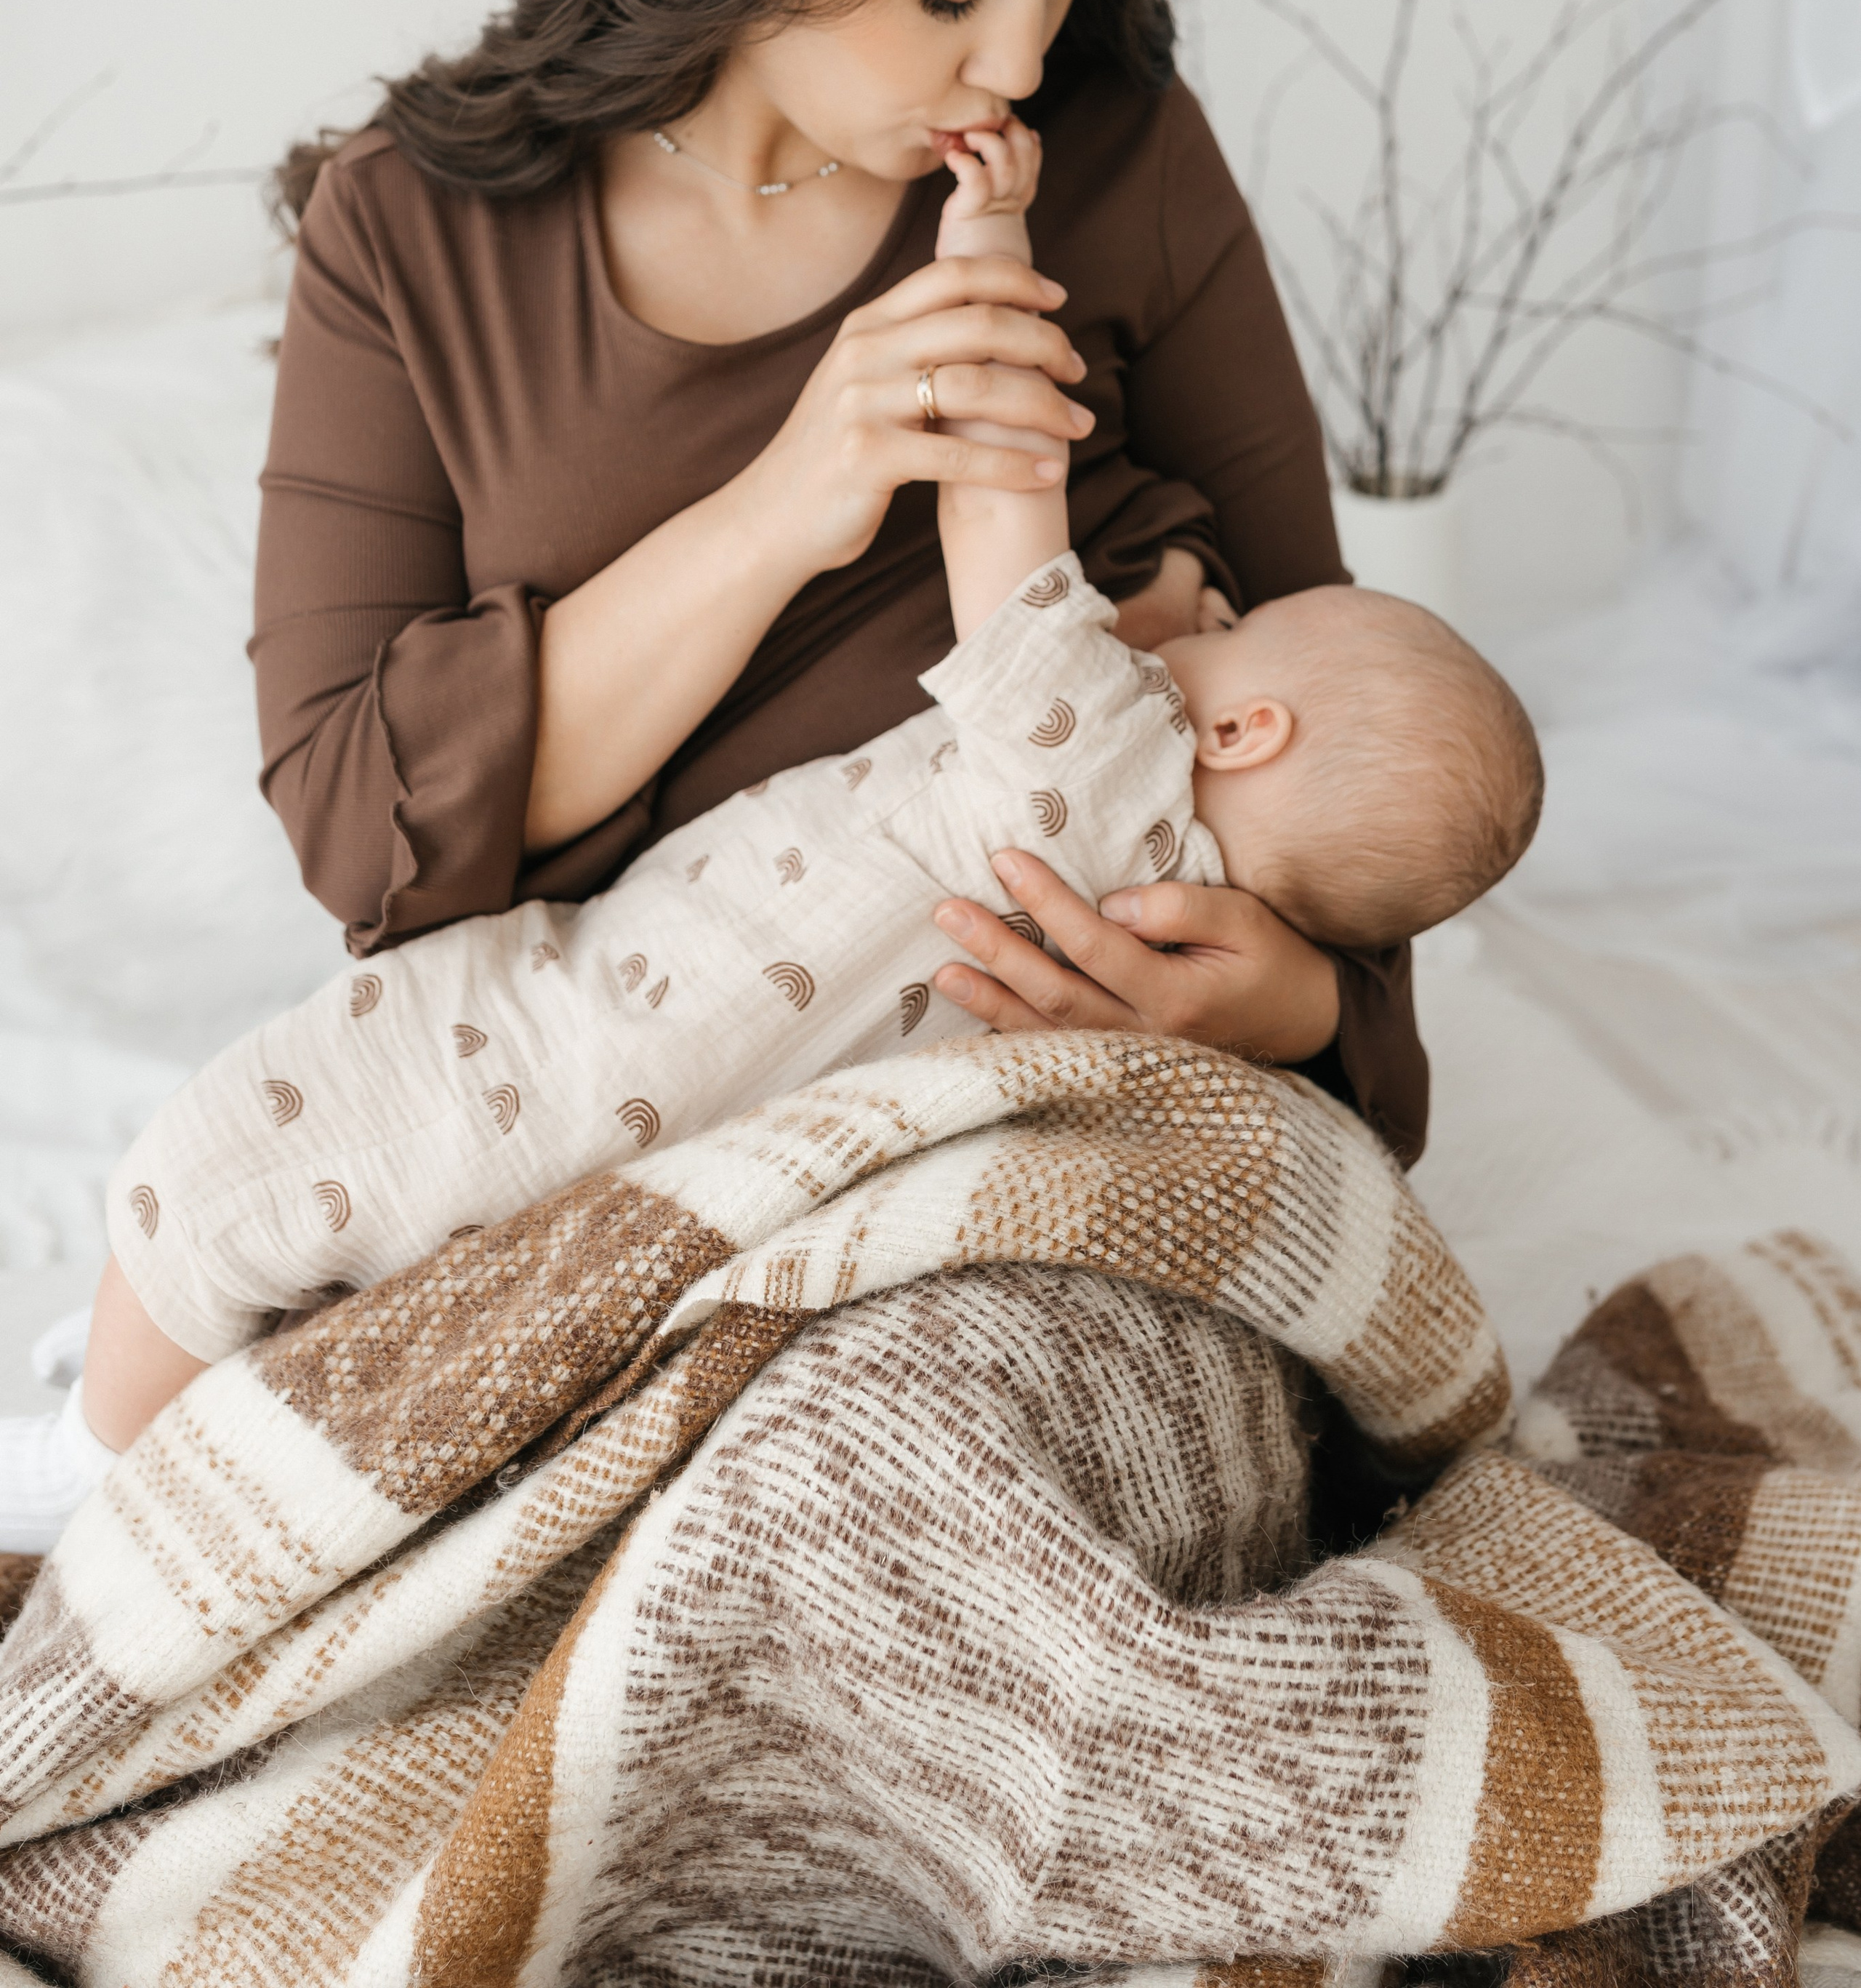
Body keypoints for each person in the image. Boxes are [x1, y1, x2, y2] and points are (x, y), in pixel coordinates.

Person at [0, 124, 1539, 1547]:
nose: (1199, 618)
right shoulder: (1166, 916)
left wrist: (987, 238)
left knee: (219, 1161)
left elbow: (1000, 486)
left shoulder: (1094, 751)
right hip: (703, 1158)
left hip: (584, 1048)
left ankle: (91, 1463)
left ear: (1241, 732)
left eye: (1232, 629)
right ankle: (193, 1382)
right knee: (357, 1236)